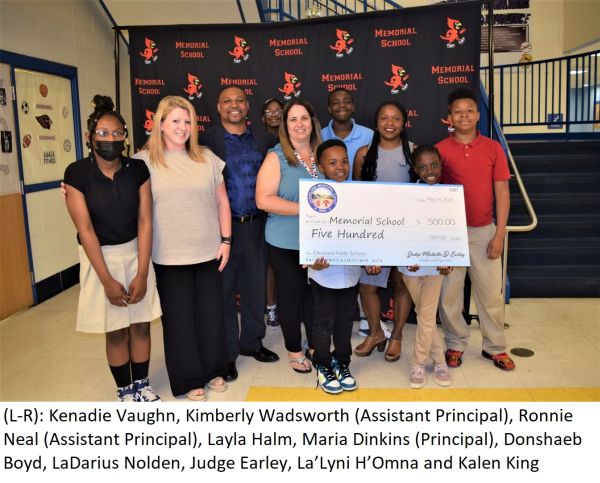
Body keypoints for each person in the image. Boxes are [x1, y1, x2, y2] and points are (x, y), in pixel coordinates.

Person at [64, 95, 162, 402]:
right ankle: (125, 390)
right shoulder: (77, 173)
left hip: (136, 252)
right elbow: (86, 230)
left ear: (125, 136)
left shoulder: (138, 169)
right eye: (103, 133)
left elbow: (145, 220)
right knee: (116, 329)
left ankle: (142, 385)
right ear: (90, 137)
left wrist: (142, 272)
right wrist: (106, 280)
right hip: (100, 258)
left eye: (117, 132)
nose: (110, 139)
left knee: (141, 325)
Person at [135, 95, 232, 400]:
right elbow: (118, 195)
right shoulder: (142, 162)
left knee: (211, 316)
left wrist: (226, 240)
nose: (183, 127)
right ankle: (189, 377)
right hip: (168, 256)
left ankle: (214, 369)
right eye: (175, 120)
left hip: (208, 252)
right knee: (179, 321)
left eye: (188, 121)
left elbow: (222, 202)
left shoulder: (207, 158)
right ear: (160, 124)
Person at [200, 86, 279, 384]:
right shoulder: (205, 140)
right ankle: (228, 353)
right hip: (221, 229)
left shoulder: (263, 139)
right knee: (222, 293)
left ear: (247, 107)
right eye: (227, 101)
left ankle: (252, 343)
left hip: (257, 225)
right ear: (218, 107)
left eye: (240, 100)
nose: (234, 105)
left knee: (255, 288)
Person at [436, 88, 515, 371]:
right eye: (457, 112)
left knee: (490, 294)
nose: (464, 116)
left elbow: (502, 194)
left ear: (478, 115)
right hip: (451, 234)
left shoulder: (493, 148)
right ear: (449, 117)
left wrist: (499, 234)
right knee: (449, 295)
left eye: (469, 110)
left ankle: (495, 347)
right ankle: (455, 343)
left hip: (484, 232)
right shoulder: (440, 150)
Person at [308, 139, 381, 394]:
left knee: (344, 322)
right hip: (323, 275)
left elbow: (365, 232)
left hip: (350, 275)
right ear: (320, 167)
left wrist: (370, 258)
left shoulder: (357, 195)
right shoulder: (315, 196)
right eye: (333, 162)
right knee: (323, 323)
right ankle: (322, 364)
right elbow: (308, 232)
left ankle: (342, 362)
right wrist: (311, 258)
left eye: (344, 161)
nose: (340, 167)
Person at [256, 99, 323, 374]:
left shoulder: (324, 153)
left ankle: (315, 344)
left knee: (315, 295)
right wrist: (307, 208)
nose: (299, 124)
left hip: (319, 240)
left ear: (313, 122)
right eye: (292, 119)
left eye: (304, 118)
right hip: (285, 240)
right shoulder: (276, 157)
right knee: (291, 295)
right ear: (285, 125)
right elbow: (263, 200)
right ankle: (294, 349)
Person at [352, 101, 414, 362]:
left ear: (404, 123)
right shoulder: (364, 154)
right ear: (376, 124)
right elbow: (356, 196)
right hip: (373, 233)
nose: (390, 123)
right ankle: (376, 332)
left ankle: (397, 336)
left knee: (401, 283)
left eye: (396, 118)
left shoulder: (414, 152)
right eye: (384, 118)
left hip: (405, 232)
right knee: (367, 286)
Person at [397, 145, 453, 389]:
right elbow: (401, 228)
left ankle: (418, 362)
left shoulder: (449, 195)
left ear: (441, 164)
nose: (429, 171)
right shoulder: (409, 196)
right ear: (414, 169)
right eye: (422, 167)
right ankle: (439, 360)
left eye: (434, 165)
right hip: (411, 266)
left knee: (426, 315)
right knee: (425, 315)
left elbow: (452, 231)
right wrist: (408, 253)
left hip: (436, 268)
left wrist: (448, 256)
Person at [261, 97, 285, 329]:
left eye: (279, 111)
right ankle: (271, 308)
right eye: (269, 111)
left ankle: (291, 307)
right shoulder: (259, 142)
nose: (274, 114)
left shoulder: (295, 140)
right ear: (262, 117)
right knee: (270, 263)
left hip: (289, 206)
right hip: (266, 208)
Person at [321, 88, 373, 171]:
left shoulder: (369, 135)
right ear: (329, 109)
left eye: (347, 102)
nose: (342, 105)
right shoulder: (320, 136)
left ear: (353, 107)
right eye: (335, 103)